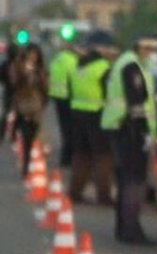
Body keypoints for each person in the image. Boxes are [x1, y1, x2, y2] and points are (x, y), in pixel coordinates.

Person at [102, 34, 157, 245]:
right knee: (134, 181)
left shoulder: (123, 63)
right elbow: (137, 101)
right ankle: (131, 229)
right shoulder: (131, 66)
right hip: (131, 129)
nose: (152, 55)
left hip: (120, 126)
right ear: (142, 48)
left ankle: (124, 227)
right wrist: (144, 131)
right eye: (150, 51)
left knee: (125, 180)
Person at [68, 31, 118, 205]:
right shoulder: (103, 68)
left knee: (81, 155)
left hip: (77, 113)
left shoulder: (79, 66)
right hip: (97, 114)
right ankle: (103, 195)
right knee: (103, 157)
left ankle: (74, 192)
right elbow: (109, 93)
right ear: (103, 50)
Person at [7, 44, 49, 176]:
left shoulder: (40, 70)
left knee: (34, 134)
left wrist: (43, 102)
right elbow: (14, 82)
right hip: (22, 105)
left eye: (35, 54)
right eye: (30, 54)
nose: (32, 57)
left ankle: (31, 160)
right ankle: (26, 163)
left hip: (36, 107)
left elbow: (45, 88)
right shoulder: (18, 67)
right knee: (25, 135)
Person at [48, 38, 83, 168]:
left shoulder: (56, 59)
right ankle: (68, 157)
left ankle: (65, 157)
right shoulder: (72, 61)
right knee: (70, 129)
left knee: (64, 128)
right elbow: (75, 79)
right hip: (68, 97)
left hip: (57, 96)